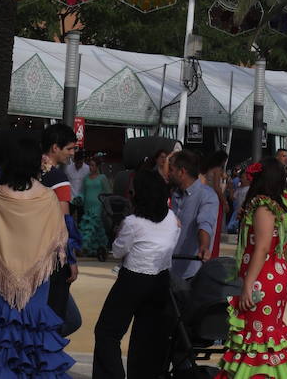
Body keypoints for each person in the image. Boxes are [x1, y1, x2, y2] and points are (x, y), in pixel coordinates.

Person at [0, 133, 71, 379]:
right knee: (35, 346)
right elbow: (58, 241)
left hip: (0, 283)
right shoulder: (48, 197)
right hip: (37, 284)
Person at [216, 157, 287, 379]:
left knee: (258, 337)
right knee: (263, 336)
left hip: (262, 278)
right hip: (272, 274)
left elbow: (261, 248)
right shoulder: (280, 202)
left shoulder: (263, 206)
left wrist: (248, 285)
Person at [92, 167, 180, 379]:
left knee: (107, 332)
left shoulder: (133, 222)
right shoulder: (171, 218)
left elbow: (118, 250)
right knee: (147, 337)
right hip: (160, 280)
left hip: (133, 279)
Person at [40, 123, 81, 326]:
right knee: (59, 319)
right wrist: (71, 259)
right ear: (55, 147)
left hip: (28, 255)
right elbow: (65, 222)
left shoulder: (30, 171)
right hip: (54, 257)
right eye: (70, 148)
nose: (72, 154)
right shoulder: (58, 179)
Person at [169, 150, 220, 282]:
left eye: (172, 170)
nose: (169, 173)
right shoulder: (174, 194)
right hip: (167, 268)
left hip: (190, 273)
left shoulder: (207, 196)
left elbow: (204, 223)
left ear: (182, 172)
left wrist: (203, 246)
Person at [79, 155, 112, 257]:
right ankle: (96, 249)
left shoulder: (102, 178)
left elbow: (108, 193)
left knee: (92, 225)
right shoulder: (85, 178)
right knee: (94, 227)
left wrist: (106, 205)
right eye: (89, 165)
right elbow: (82, 192)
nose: (90, 167)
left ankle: (84, 247)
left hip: (98, 206)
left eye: (93, 165)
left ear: (97, 166)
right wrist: (79, 198)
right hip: (87, 206)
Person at [201, 149, 229, 259]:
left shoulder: (208, 169)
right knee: (215, 228)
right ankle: (212, 253)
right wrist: (225, 202)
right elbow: (217, 188)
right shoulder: (217, 170)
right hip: (215, 199)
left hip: (206, 197)